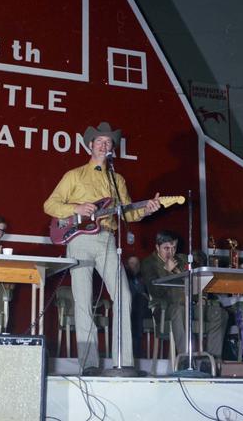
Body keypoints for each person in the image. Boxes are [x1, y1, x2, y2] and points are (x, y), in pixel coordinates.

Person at [44, 121, 161, 375]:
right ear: (90, 145)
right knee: (83, 300)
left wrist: (146, 210)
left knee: (123, 295)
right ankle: (89, 365)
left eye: (109, 142)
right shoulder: (74, 175)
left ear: (112, 149)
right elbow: (50, 205)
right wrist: (76, 208)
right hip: (79, 240)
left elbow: (128, 213)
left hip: (108, 239)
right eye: (100, 141)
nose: (104, 144)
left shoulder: (117, 179)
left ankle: (124, 361)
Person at [141, 230, 228, 363]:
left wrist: (203, 297)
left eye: (174, 248)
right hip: (167, 308)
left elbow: (199, 280)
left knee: (220, 313)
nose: (171, 253)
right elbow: (155, 292)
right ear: (157, 247)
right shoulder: (149, 263)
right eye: (166, 248)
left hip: (191, 306)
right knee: (180, 311)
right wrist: (167, 271)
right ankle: (187, 360)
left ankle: (211, 361)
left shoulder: (182, 259)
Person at [125, 255, 151, 358]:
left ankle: (135, 350)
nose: (134, 266)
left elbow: (151, 295)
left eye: (136, 264)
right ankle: (135, 349)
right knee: (135, 305)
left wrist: (145, 295)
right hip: (130, 309)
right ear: (127, 265)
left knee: (139, 301)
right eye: (132, 263)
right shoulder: (124, 279)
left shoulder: (145, 278)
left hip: (146, 309)